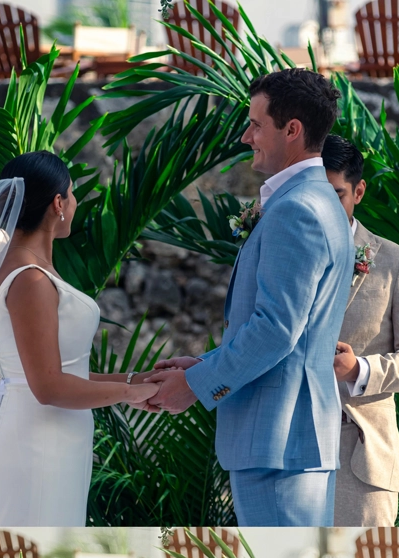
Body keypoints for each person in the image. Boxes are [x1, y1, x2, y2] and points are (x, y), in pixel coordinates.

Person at [147, 69, 354, 527]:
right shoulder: (316, 201)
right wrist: (205, 364)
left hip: (278, 441)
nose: (246, 136)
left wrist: (196, 386)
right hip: (290, 440)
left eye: (257, 124)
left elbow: (277, 330)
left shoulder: (297, 208)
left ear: (292, 130)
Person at [0, 150, 159, 525]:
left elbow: (60, 372)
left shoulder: (36, 270)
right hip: (37, 442)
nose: (74, 204)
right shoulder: (30, 279)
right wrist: (128, 394)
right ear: (58, 203)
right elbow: (48, 387)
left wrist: (136, 381)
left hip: (56, 437)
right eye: (72, 195)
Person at [322, 135, 399, 527]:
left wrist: (360, 370)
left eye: (335, 195)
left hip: (358, 456)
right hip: (281, 451)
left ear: (358, 191)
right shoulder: (276, 253)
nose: (323, 210)